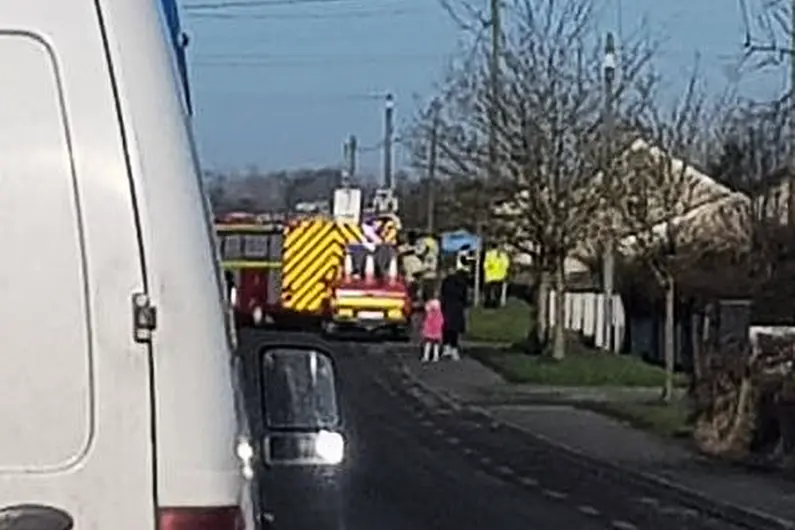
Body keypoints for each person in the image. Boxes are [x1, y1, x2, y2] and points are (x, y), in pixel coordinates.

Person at [440, 266, 469, 360]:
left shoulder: (446, 281)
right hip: (457, 307)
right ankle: (454, 349)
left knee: (446, 328)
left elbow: (443, 294)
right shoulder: (461, 283)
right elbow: (464, 296)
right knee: (454, 330)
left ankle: (446, 347)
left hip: (448, 307)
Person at [421, 294, 444, 363]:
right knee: (436, 343)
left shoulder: (428, 306)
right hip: (436, 326)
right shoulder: (438, 308)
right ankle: (435, 356)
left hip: (430, 326)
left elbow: (426, 312)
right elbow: (441, 319)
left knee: (428, 342)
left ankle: (426, 356)